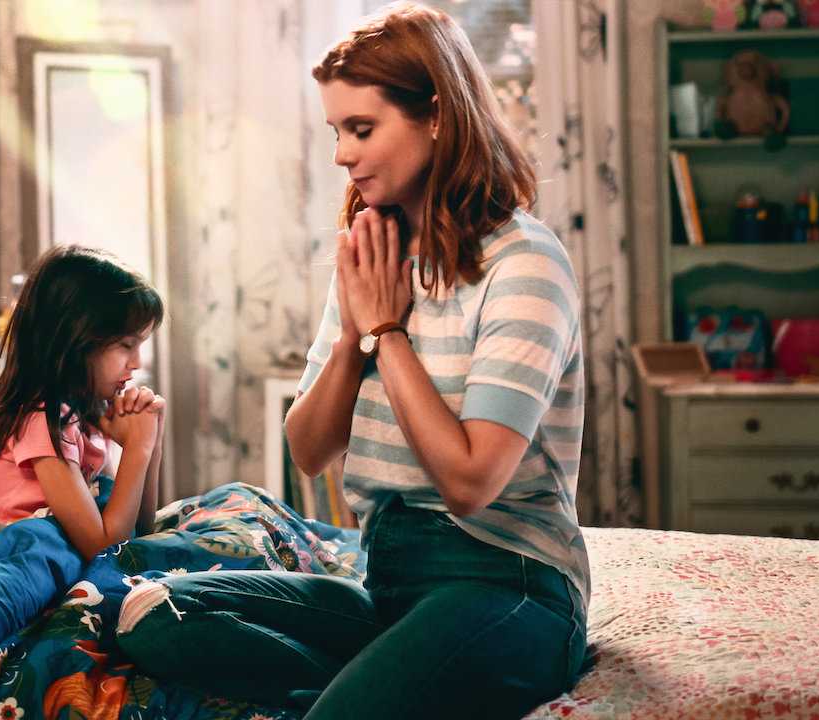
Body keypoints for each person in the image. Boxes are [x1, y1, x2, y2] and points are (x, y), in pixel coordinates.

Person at [115, 3, 588, 719]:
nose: (341, 154)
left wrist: (388, 332)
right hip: (390, 585)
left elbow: (470, 483)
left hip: (509, 585)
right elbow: (308, 451)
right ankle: (368, 686)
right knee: (151, 615)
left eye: (361, 129)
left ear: (437, 116)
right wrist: (351, 338)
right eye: (336, 131)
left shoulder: (524, 264)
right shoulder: (375, 258)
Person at [0, 244, 166, 560]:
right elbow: (105, 548)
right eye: (126, 345)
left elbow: (139, 528)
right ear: (74, 341)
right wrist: (137, 449)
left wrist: (152, 440)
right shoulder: (40, 416)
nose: (137, 363)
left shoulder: (88, 411)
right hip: (9, 563)